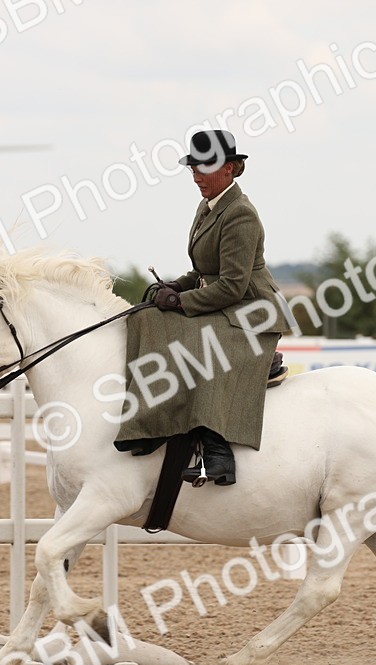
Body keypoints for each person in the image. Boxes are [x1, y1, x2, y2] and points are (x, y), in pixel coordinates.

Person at [113, 130, 292, 486]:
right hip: (225, 302)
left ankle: (217, 450)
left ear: (229, 168)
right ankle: (149, 423)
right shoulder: (208, 206)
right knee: (146, 317)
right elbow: (203, 270)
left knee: (199, 345)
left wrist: (181, 302)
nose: (196, 176)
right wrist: (173, 286)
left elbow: (232, 286)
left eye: (204, 167)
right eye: (192, 167)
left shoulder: (241, 214)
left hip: (252, 311)